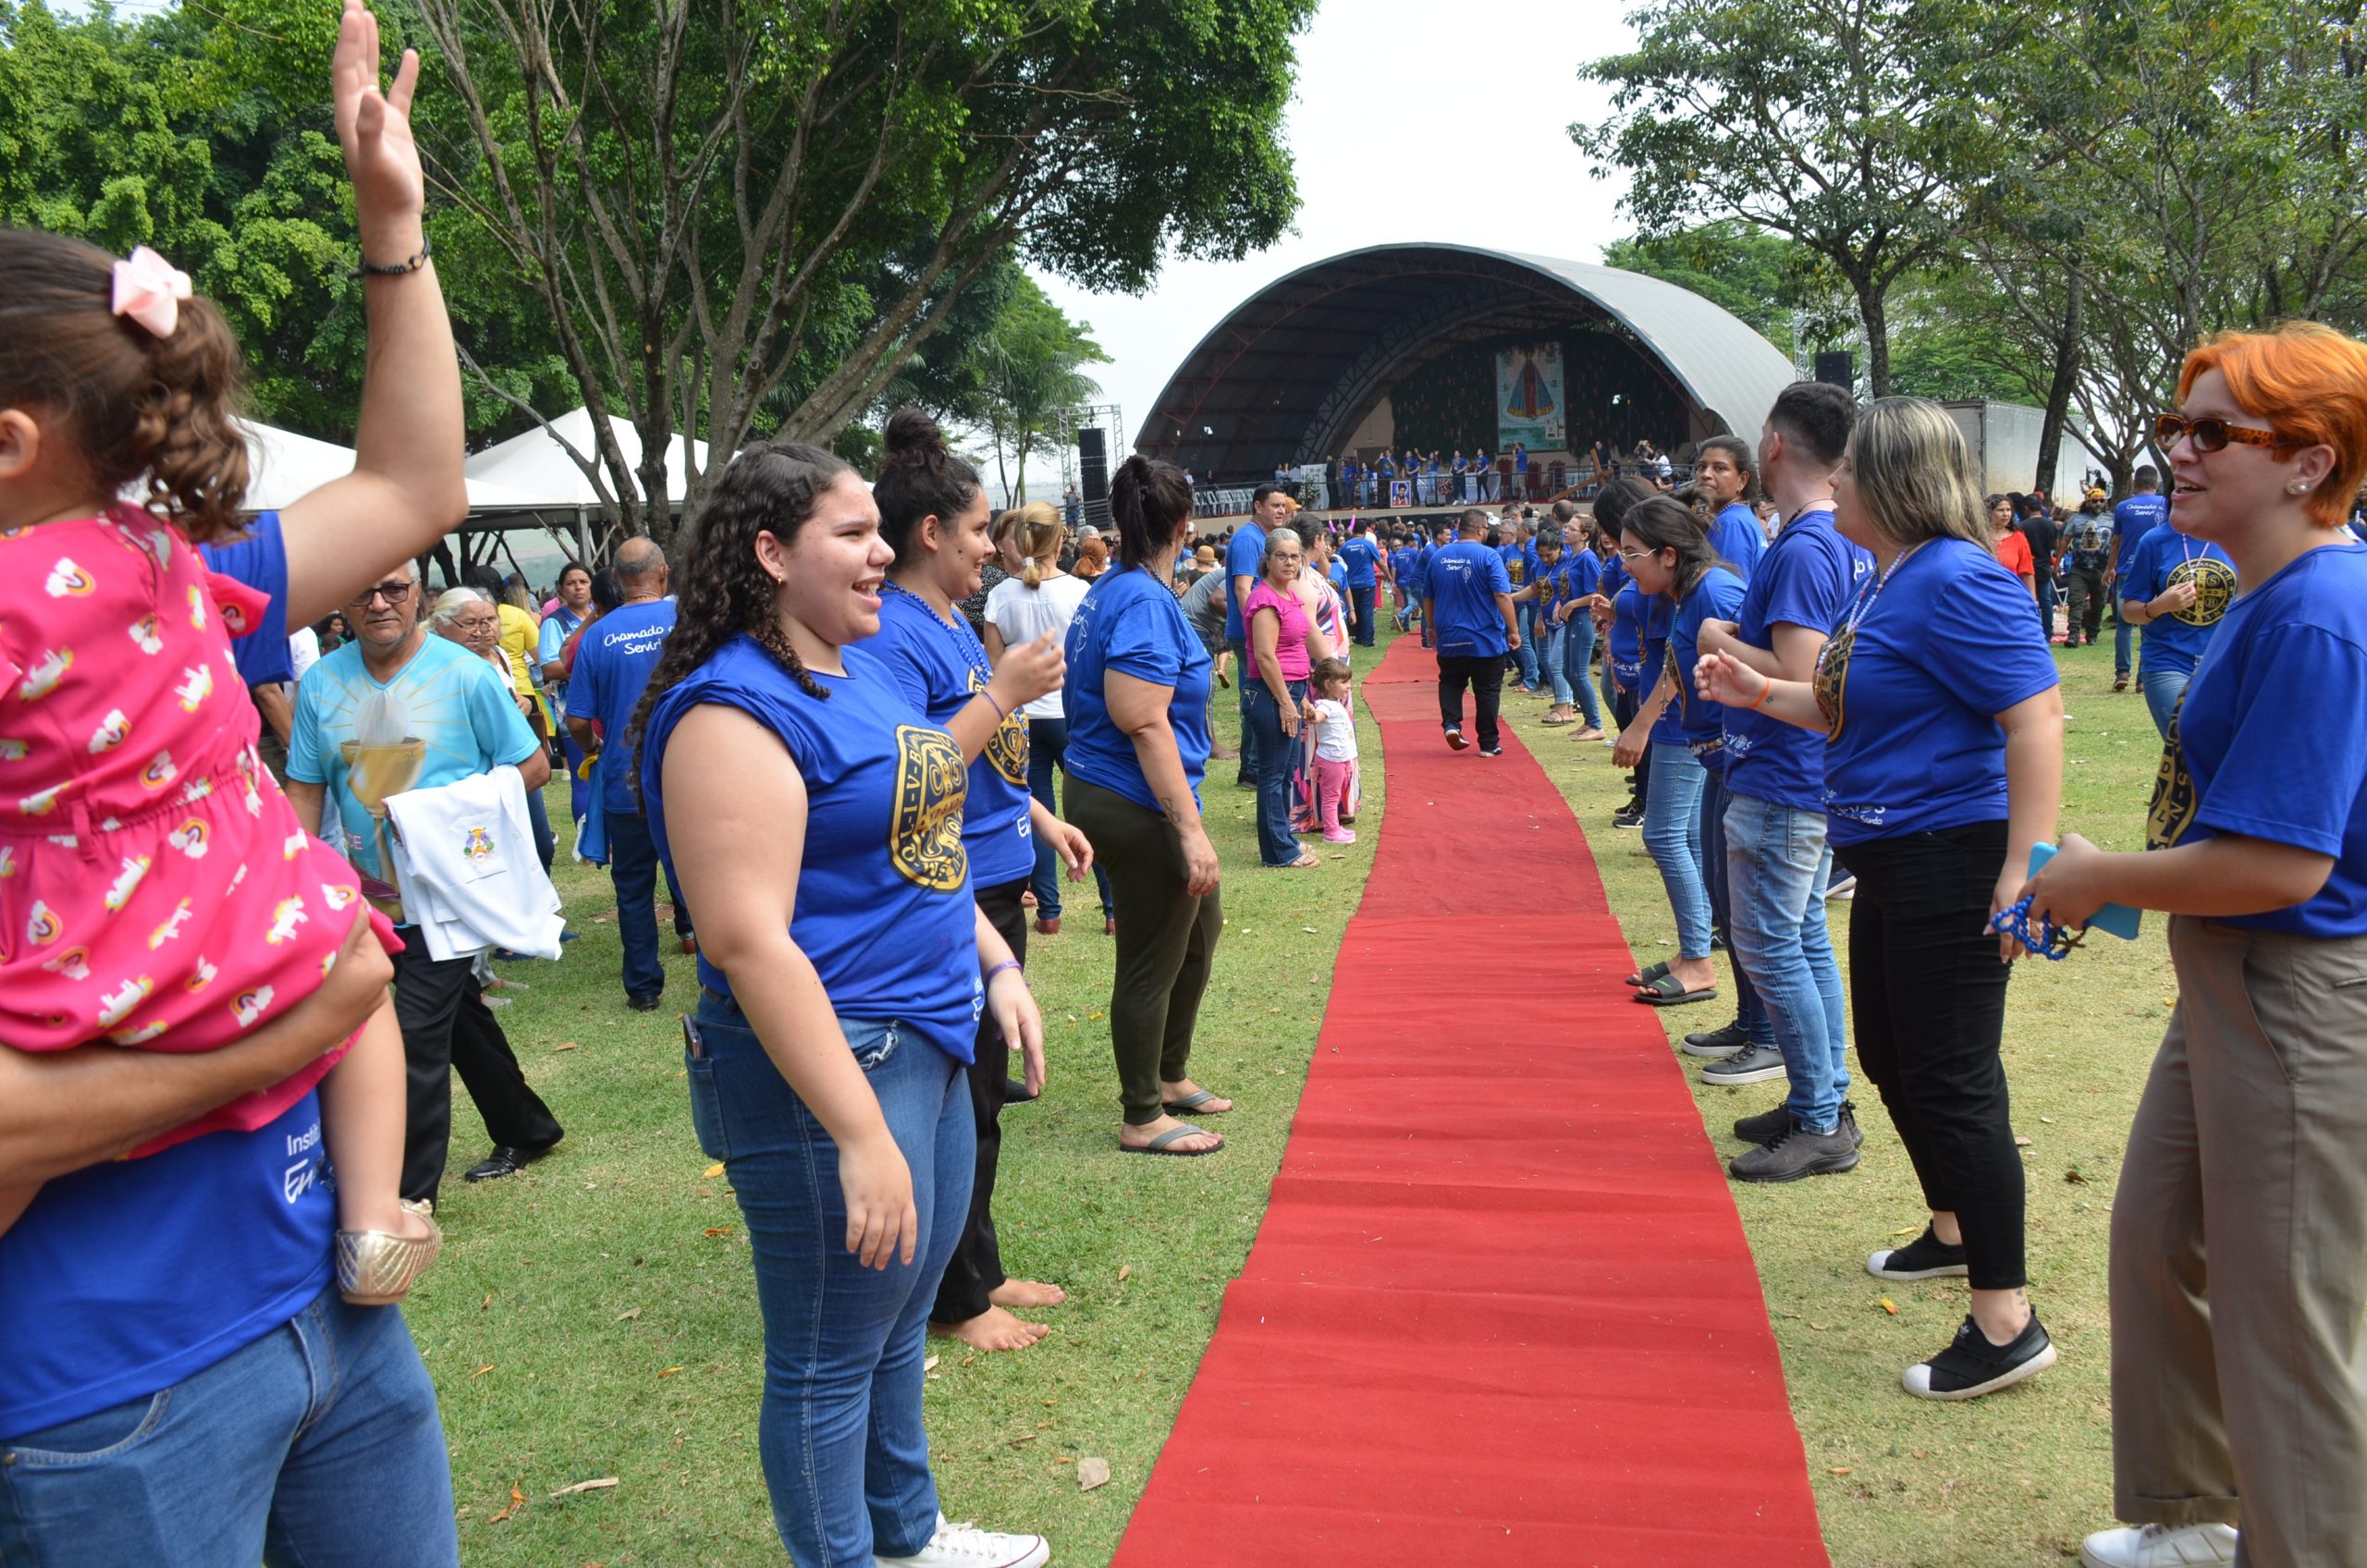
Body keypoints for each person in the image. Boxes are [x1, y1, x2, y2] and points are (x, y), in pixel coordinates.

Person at [0, 9, 467, 1559]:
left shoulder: (149, 585)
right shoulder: (141, 581)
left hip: (322, 1319)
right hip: (96, 1394)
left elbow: (410, 489)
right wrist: (310, 1009)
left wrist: (393, 229)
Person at [632, 439, 1051, 1568]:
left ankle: (908, 1537)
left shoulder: (856, 664)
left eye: (881, 529)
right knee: (826, 1355)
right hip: (831, 1069)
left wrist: (996, 967)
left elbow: (918, 834)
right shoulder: (730, 707)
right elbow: (745, 940)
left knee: (898, 1323)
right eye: (855, 534)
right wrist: (859, 1133)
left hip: (927, 1032)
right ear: (769, 552)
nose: (883, 552)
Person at [2021, 323, 2367, 1568]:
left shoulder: (2320, 613)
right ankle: (2194, 1517)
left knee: (2286, 1317)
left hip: (2296, 987)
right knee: (2159, 1239)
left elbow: (2284, 864)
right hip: (2234, 975)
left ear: (2306, 461)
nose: (2178, 449)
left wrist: (2097, 876)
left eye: (2213, 431)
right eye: (2178, 425)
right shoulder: (2276, 591)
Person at [1697, 396, 2064, 1401]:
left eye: (1853, 468)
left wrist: (2022, 866)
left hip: (1951, 853)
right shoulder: (1888, 581)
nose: (1835, 482)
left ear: (1896, 482)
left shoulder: (1956, 578)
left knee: (1951, 1076)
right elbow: (1842, 700)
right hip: (1895, 853)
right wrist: (1755, 691)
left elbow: (2034, 717)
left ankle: (2006, 1319)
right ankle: (1951, 1229)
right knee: (1890, 1055)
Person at [865, 411, 1089, 1358]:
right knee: (966, 1099)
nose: (992, 548)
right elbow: (912, 778)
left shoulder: (956, 620)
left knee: (984, 1095)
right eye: (977, 531)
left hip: (997, 877)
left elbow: (984, 763)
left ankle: (978, 1267)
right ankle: (958, 1297)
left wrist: (1040, 818)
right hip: (954, 895)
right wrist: (1002, 693)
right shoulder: (895, 637)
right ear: (931, 534)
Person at [290, 557, 566, 1199]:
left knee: (410, 1034)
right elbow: (306, 791)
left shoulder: (466, 676)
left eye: (395, 588)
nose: (381, 602)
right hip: (373, 899)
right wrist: (298, 875)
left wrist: (439, 815)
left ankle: (405, 1194)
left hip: (451, 888)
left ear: (418, 594)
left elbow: (531, 767)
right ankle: (526, 1125)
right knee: (459, 1019)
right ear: (342, 601)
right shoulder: (321, 685)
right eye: (364, 589)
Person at [1696, 380, 1867, 1175]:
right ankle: (1819, 1097)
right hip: (1799, 774)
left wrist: (1717, 638)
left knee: (1772, 945)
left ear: (1773, 445)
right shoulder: (1836, 536)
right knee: (1799, 940)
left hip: (1781, 773)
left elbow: (1800, 672)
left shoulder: (1801, 545)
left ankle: (1823, 1116)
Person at [1062, 457, 1232, 1157]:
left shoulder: (1118, 587)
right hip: (1129, 797)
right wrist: (1189, 830)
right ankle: (1142, 1114)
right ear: (1184, 525)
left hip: (1113, 788)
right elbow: (1143, 718)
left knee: (1199, 927)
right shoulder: (1140, 600)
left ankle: (1167, 1075)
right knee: (1148, 956)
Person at [1612, 496, 1749, 1014]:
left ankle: (1698, 959)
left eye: (1631, 554)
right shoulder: (1689, 591)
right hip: (1710, 747)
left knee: (1666, 835)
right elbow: (1679, 659)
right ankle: (1694, 956)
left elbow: (1768, 665)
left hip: (1732, 751)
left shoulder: (1715, 589)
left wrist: (1644, 724)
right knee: (1687, 840)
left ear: (1668, 554)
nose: (1624, 566)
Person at [568, 537, 696, 1007]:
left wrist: (593, 748)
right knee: (699, 876)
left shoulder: (597, 634)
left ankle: (643, 989)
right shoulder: (688, 621)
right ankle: (714, 973)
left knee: (634, 887)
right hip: (687, 776)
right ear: (663, 573)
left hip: (625, 779)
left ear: (618, 582)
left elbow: (577, 720)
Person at [986, 502, 1115, 937]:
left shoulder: (999, 595)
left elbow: (993, 666)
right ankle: (1113, 909)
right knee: (1093, 812)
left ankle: (1049, 912)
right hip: (1071, 716)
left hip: (1022, 718)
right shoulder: (1080, 592)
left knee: (1036, 813)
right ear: (1062, 541)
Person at [1244, 527, 1330, 869]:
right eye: (1282, 556)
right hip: (1270, 693)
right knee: (1273, 773)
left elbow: (1293, 651)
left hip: (1290, 691)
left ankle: (1285, 840)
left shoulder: (1287, 594)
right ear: (1268, 559)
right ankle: (1279, 852)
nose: (1290, 562)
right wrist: (1284, 702)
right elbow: (1266, 657)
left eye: (1295, 556)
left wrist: (1301, 698)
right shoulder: (1265, 599)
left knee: (1285, 772)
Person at [2118, 499, 2238, 741]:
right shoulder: (2155, 541)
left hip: (2227, 663)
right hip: (2169, 661)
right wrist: (2159, 606)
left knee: (2228, 749)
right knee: (2190, 744)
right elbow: (2128, 610)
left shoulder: (2240, 536)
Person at [1426, 508, 1519, 755]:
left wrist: (1431, 627)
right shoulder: (1489, 556)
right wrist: (1514, 629)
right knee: (1487, 690)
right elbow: (1501, 594)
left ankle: (1452, 724)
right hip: (1485, 638)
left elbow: (1428, 596)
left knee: (1450, 681)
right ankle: (1488, 744)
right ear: (1480, 529)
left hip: (1450, 636)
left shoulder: (1438, 557)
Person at [1225, 485, 1289, 785]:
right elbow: (1242, 588)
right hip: (1248, 632)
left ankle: (1251, 766)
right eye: (1275, 505)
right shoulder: (1248, 540)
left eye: (1283, 506)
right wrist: (1254, 631)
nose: (1281, 510)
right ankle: (1251, 768)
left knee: (1258, 695)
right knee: (1257, 696)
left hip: (1254, 631)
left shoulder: (1261, 539)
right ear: (1257, 506)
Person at [2111, 466, 2171, 692]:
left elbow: (2116, 540)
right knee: (2149, 621)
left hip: (2126, 568)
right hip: (2156, 569)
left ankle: (2122, 672)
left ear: (2134, 484)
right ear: (2156, 484)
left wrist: (2110, 568)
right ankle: (2143, 678)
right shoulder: (2165, 504)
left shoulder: (2123, 507)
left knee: (2124, 624)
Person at [1696, 434, 1769, 582]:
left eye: (1720, 468)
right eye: (1701, 467)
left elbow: (1729, 597)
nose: (1706, 475)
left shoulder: (1731, 523)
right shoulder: (1738, 517)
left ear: (1742, 480)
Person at [1305, 656, 1360, 843]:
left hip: (1341, 759)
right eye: (1344, 682)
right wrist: (1312, 715)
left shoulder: (1336, 704)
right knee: (1330, 796)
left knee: (1335, 795)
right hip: (1332, 760)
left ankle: (1335, 826)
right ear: (1328, 684)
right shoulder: (1325, 705)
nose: (1348, 686)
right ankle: (1331, 832)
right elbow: (1318, 717)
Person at [2062, 490, 2116, 648]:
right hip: (2080, 568)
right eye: (2094, 501)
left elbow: (2117, 542)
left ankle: (2092, 634)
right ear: (2087, 502)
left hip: (2102, 569)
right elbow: (2065, 540)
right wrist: (2059, 561)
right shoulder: (2076, 519)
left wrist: (2114, 566)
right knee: (2076, 601)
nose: (2098, 504)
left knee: (2099, 603)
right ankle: (2073, 634)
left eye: (2101, 500)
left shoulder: (2112, 519)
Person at [2021, 491, 2063, 643]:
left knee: (2028, 600)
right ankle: (2048, 633)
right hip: (2045, 565)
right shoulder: (2050, 524)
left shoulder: (2022, 526)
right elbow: (2055, 545)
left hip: (2027, 568)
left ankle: (2030, 630)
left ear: (2026, 508)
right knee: (2046, 602)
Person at [1338, 518, 1385, 647]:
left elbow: (1338, 562)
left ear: (1353, 531)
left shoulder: (1345, 546)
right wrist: (1388, 575)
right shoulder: (1368, 544)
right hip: (1367, 583)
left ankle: (1358, 637)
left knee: (1356, 610)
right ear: (1365, 531)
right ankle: (1368, 639)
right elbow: (1380, 562)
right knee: (1367, 611)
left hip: (1351, 584)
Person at [1989, 492, 2038, 596]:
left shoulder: (2018, 537)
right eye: (2001, 510)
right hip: (1985, 596)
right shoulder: (1979, 538)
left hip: (2011, 595)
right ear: (1989, 512)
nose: (2006, 514)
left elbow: (2027, 573)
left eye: (2008, 510)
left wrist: (2033, 602)